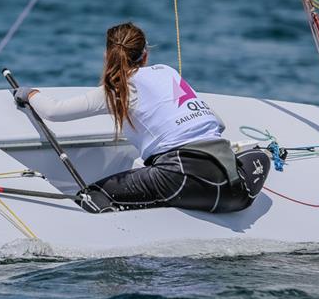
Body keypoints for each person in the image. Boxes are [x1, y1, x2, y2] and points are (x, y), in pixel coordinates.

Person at [14, 22, 269, 214]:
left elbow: (54, 112)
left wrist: (30, 93)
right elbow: (218, 124)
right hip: (235, 192)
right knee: (262, 155)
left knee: (93, 194)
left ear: (107, 56)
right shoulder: (167, 72)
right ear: (145, 55)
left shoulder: (117, 89)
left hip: (180, 181)